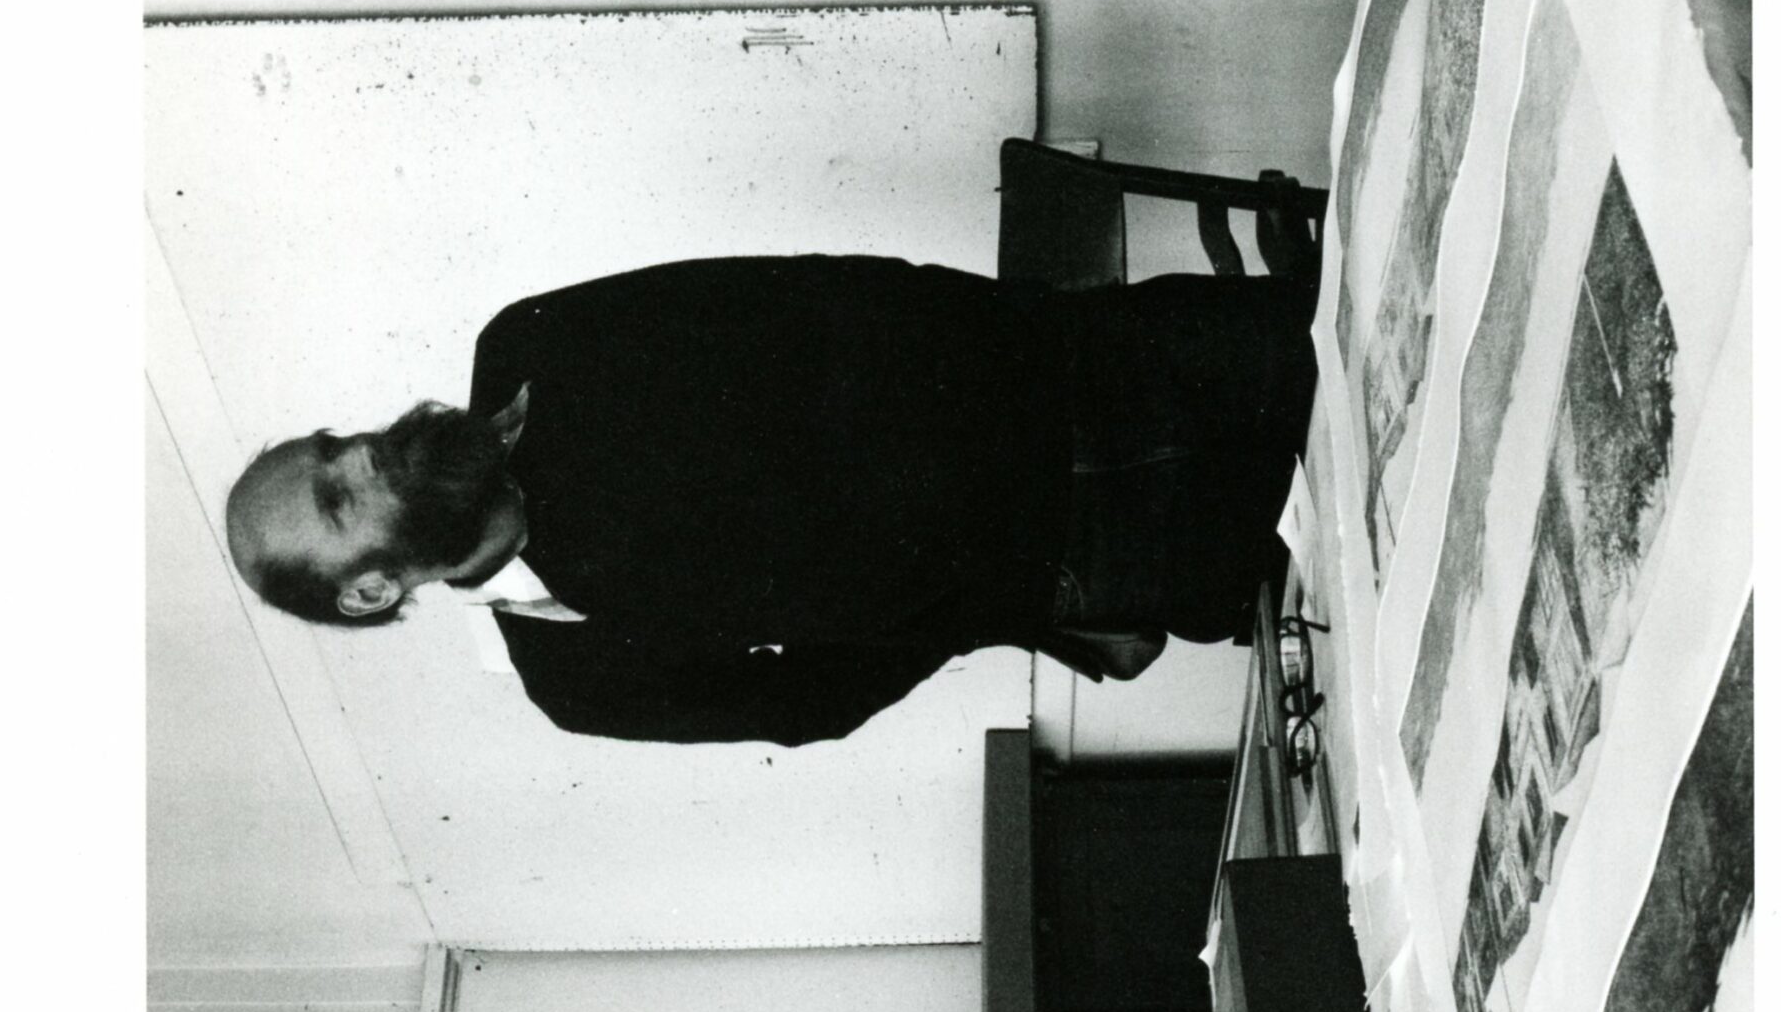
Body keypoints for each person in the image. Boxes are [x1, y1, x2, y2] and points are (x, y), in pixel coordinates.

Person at [225, 253, 1316, 747]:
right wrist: (971, 600)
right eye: (337, 498)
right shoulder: (573, 676)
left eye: (334, 446)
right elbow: (803, 706)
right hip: (1092, 551)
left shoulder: (527, 348)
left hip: (1100, 363)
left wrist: (1034, 337)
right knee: (1360, 551)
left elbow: (808, 289)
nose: (362, 455)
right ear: (369, 591)